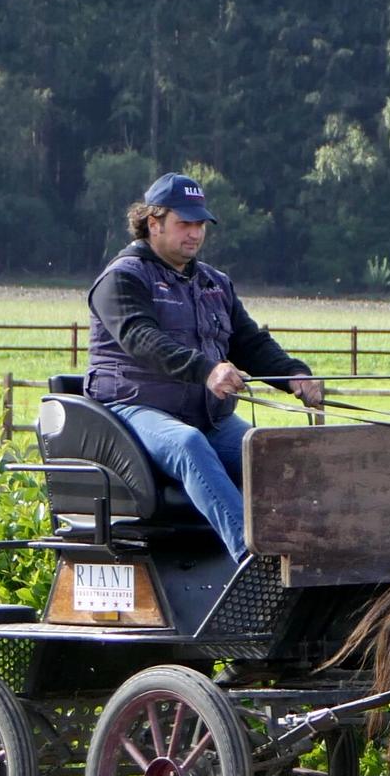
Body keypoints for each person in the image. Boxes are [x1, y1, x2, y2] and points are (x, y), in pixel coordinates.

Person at [85, 172, 324, 562]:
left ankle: (306, 554)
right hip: (132, 409)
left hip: (205, 415)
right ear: (153, 222)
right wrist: (208, 370)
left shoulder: (215, 283)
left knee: (270, 453)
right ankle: (254, 560)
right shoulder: (122, 279)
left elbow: (249, 343)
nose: (194, 233)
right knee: (188, 445)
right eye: (184, 223)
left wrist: (294, 375)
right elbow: (142, 340)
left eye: (200, 224)